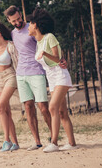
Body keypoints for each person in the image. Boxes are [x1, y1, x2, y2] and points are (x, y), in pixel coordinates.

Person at [28, 8, 78, 153]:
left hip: (60, 75)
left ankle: (54, 143)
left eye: (30, 24)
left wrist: (45, 53)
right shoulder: (39, 42)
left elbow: (58, 59)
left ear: (36, 24)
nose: (28, 27)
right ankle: (72, 143)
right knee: (62, 112)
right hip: (51, 78)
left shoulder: (49, 37)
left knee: (52, 107)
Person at [4, 5, 52, 151]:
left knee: (43, 107)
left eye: (19, 19)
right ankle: (37, 141)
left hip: (36, 71)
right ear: (9, 20)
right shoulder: (12, 34)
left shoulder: (32, 28)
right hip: (21, 73)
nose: (17, 22)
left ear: (21, 15)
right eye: (13, 21)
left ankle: (53, 136)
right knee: (28, 107)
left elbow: (46, 44)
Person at [0, 21, 20, 152]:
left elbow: (17, 64)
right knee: (5, 111)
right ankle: (15, 143)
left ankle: (6, 141)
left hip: (10, 76)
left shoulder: (11, 46)